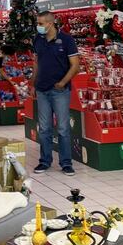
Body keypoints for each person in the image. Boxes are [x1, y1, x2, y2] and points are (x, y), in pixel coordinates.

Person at [32, 11, 80, 176]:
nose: (38, 26)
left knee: (63, 128)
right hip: (42, 89)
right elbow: (36, 62)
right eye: (37, 23)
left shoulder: (66, 40)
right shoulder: (37, 39)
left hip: (60, 91)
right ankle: (45, 161)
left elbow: (75, 65)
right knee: (44, 128)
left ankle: (66, 163)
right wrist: (33, 82)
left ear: (50, 23)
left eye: (41, 23)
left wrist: (63, 82)